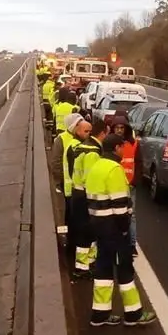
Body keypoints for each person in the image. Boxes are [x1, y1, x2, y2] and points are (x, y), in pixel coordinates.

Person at [85, 134, 157, 327]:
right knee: (124, 268)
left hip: (98, 224)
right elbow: (119, 205)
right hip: (113, 228)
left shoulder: (96, 167)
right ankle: (133, 314)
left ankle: (99, 315)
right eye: (122, 147)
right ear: (116, 148)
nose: (123, 151)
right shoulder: (114, 169)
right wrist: (125, 229)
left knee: (104, 268)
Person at [69, 117, 107, 277]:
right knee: (87, 231)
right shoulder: (92, 152)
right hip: (85, 196)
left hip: (77, 194)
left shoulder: (83, 146)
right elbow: (90, 179)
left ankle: (87, 263)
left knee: (86, 231)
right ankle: (82, 267)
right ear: (103, 133)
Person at [51, 113, 86, 262]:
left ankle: (77, 244)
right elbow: (56, 163)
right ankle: (72, 246)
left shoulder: (83, 138)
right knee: (71, 217)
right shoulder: (62, 139)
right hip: (69, 187)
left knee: (79, 218)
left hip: (80, 187)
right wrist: (60, 180)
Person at [110, 113, 139, 257]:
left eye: (122, 128)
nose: (119, 130)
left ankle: (132, 244)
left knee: (131, 215)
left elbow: (138, 163)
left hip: (129, 185)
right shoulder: (110, 144)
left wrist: (134, 181)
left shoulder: (133, 144)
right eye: (117, 127)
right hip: (115, 185)